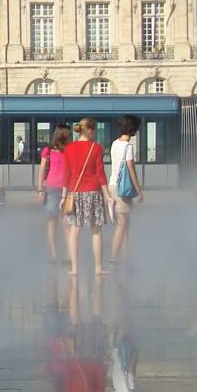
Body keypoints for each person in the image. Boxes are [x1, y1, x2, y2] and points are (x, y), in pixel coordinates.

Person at [59, 117, 109, 278]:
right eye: (93, 129)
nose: (94, 132)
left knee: (75, 231)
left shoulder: (69, 149)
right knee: (96, 231)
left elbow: (66, 174)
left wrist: (63, 195)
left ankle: (74, 268)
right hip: (93, 192)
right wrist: (108, 194)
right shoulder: (96, 148)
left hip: (75, 193)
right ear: (89, 130)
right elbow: (100, 173)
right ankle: (98, 267)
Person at [107, 115, 145, 265]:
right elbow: (131, 171)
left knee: (125, 223)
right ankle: (114, 257)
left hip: (112, 185)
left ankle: (125, 256)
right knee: (122, 224)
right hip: (122, 188)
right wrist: (139, 191)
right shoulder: (128, 147)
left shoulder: (114, 144)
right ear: (133, 129)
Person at [36, 123, 71, 264]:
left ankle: (65, 254)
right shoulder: (48, 151)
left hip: (63, 188)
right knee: (57, 222)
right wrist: (40, 189)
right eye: (69, 135)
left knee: (62, 222)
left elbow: (42, 169)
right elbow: (42, 169)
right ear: (63, 135)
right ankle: (56, 254)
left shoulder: (68, 150)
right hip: (55, 188)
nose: (70, 138)